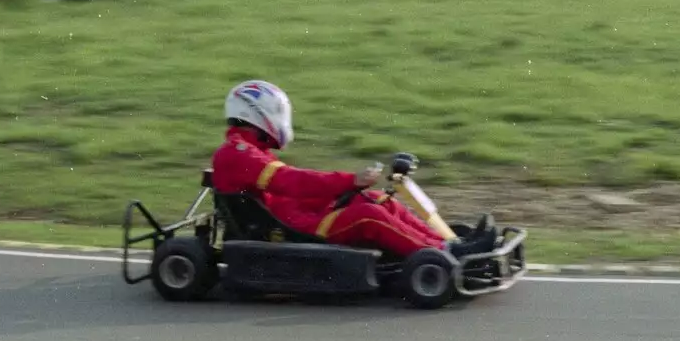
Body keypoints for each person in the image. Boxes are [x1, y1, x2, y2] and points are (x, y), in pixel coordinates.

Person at [210, 80, 495, 258]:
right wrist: (348, 181)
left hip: (294, 214)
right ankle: (442, 253)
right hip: (293, 226)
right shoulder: (238, 153)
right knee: (367, 216)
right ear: (257, 114)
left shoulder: (249, 150)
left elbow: (288, 189)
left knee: (377, 200)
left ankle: (451, 243)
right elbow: (290, 182)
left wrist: (351, 188)